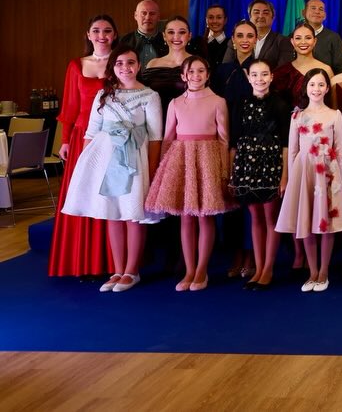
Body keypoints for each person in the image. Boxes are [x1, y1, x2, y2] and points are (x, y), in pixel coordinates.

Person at [60, 47, 163, 292]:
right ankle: (118, 269)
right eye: (119, 63)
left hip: (134, 160)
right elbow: (91, 132)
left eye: (130, 62)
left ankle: (132, 271)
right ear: (112, 67)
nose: (125, 68)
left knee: (132, 215)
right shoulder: (103, 95)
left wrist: (151, 169)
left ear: (138, 66)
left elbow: (155, 137)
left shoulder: (149, 96)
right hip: (106, 161)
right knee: (112, 215)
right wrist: (87, 167)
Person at [144, 56, 233, 292]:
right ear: (183, 76)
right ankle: (189, 270)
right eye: (191, 71)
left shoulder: (218, 101)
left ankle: (202, 270)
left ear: (208, 74)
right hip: (181, 160)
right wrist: (164, 169)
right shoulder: (175, 103)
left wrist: (224, 169)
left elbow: (224, 139)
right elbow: (168, 138)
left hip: (207, 161)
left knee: (205, 216)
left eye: (201, 71)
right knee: (186, 217)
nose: (196, 75)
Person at [50, 14, 118, 278]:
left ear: (114, 35)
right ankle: (83, 261)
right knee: (83, 194)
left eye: (107, 30)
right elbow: (70, 107)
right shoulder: (76, 65)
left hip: (113, 138)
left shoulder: (122, 62)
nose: (102, 35)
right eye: (96, 30)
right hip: (82, 139)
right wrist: (65, 141)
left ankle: (113, 262)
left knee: (108, 195)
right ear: (88, 35)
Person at [276, 69, 342, 292]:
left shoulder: (335, 115)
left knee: (326, 222)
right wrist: (292, 179)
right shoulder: (297, 116)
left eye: (320, 85)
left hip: (328, 172)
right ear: (305, 88)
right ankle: (312, 271)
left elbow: (340, 148)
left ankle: (324, 271)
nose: (316, 89)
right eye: (312, 84)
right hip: (304, 172)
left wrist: (340, 178)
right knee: (306, 221)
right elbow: (292, 149)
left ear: (327, 88)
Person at [227, 58, 290, 290]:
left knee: (270, 216)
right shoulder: (241, 103)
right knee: (255, 217)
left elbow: (286, 144)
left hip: (271, 164)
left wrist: (284, 176)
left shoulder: (280, 104)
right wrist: (232, 173)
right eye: (255, 75)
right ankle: (258, 266)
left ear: (271, 77)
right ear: (248, 77)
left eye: (264, 74)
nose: (260, 79)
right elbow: (234, 142)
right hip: (247, 165)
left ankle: (268, 269)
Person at [273, 23, 335, 111]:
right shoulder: (282, 71)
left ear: (315, 41)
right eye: (298, 38)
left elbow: (333, 104)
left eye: (308, 38)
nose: (303, 42)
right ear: (292, 41)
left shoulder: (326, 70)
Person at [140, 15, 191, 118]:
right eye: (171, 32)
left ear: (189, 36)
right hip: (156, 119)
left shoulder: (199, 64)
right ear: (164, 36)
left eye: (182, 32)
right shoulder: (152, 64)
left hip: (188, 120)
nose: (176, 37)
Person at [223, 0, 293, 69]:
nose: (261, 16)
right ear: (250, 16)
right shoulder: (236, 40)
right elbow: (225, 68)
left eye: (265, 13)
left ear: (273, 17)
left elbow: (284, 70)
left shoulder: (283, 41)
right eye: (256, 12)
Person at [212, 20, 258, 107]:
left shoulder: (261, 70)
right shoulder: (222, 70)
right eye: (240, 36)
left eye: (250, 36)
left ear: (255, 40)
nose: (245, 40)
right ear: (233, 39)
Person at [300, 0, 342, 74]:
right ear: (303, 12)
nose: (317, 12)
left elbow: (341, 68)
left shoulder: (333, 37)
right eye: (313, 8)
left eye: (321, 9)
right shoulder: (294, 37)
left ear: (325, 15)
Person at [120, 0, 167, 69]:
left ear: (158, 17)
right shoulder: (124, 41)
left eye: (152, 14)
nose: (147, 18)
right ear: (135, 15)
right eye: (144, 13)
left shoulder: (167, 40)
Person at [203, 5, 229, 70]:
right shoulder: (198, 43)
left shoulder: (231, 44)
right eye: (211, 17)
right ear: (206, 20)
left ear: (225, 20)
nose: (214, 21)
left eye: (219, 17)